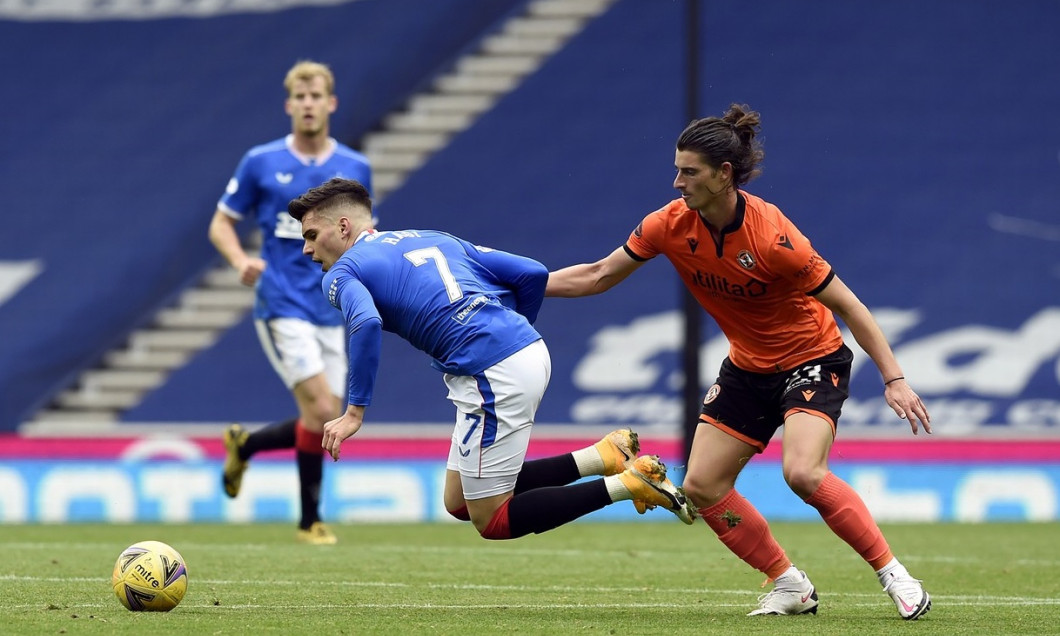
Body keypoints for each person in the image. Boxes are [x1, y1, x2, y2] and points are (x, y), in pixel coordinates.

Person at [545, 104, 933, 620]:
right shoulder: (667, 224)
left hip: (811, 359)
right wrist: (521, 286)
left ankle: (896, 576)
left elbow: (849, 306)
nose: (677, 181)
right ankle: (789, 585)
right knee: (701, 486)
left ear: (723, 174)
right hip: (748, 368)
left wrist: (895, 379)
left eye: (689, 171)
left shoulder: (775, 237)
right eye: (677, 168)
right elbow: (597, 275)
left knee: (803, 473)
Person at [287, 177, 695, 540]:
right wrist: (510, 332)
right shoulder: (432, 237)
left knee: (493, 521)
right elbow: (531, 273)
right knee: (460, 501)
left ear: (343, 227)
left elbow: (365, 324)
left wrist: (354, 412)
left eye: (310, 234)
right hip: (522, 352)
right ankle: (604, 456)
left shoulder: (341, 272)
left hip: (491, 371)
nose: (306, 249)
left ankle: (631, 484)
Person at [207, 60, 372, 545]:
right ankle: (309, 523)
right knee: (324, 408)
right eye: (300, 97)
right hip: (281, 302)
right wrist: (240, 259)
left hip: (330, 302)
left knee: (320, 414)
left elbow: (365, 235)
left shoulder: (355, 166)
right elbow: (221, 223)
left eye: (316, 95)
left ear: (330, 103)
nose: (307, 104)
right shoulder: (260, 161)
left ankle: (247, 446)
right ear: (289, 105)